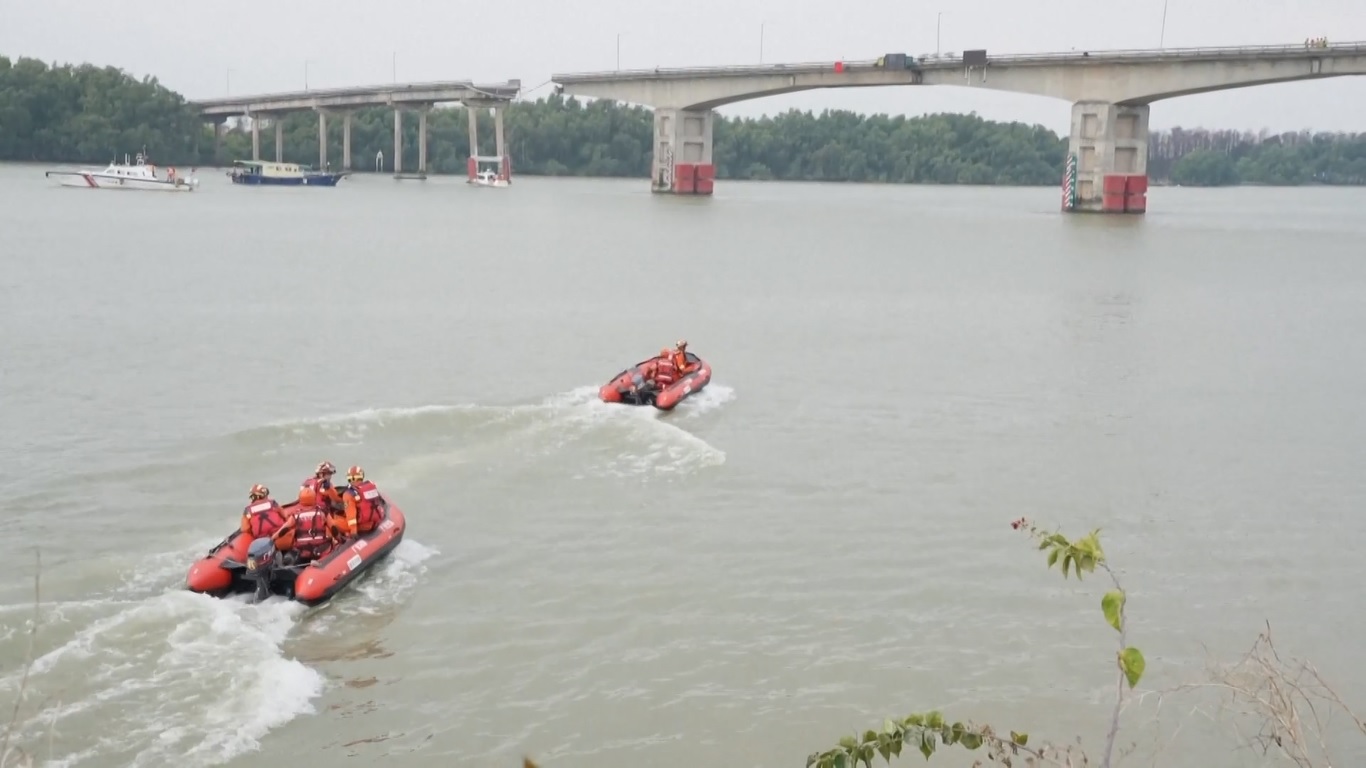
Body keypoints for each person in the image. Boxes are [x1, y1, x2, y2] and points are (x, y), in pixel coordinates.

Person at [240, 484, 296, 551]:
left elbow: (245, 529)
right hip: (281, 538)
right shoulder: (273, 504)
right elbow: (286, 516)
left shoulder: (248, 511)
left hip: (262, 544)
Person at [339, 465, 386, 539]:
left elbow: (351, 514)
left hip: (362, 526)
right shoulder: (371, 486)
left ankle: (336, 540)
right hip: (376, 521)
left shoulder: (348, 494)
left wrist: (353, 531)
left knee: (330, 521)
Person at [291, 486, 338, 560]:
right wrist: (341, 540)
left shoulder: (295, 515)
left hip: (303, 551)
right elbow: (333, 528)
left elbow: (284, 529)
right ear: (314, 498)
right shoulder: (322, 512)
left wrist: (273, 539)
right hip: (321, 550)